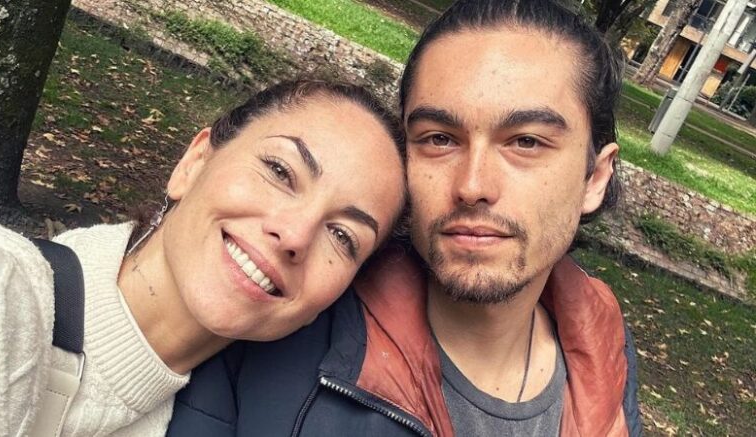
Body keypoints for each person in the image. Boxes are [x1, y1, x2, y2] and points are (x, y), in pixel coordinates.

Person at [167, 0, 642, 436]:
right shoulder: (277, 326)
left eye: (526, 142)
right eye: (439, 139)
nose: (472, 185)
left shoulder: (603, 346)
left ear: (595, 178)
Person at [0, 79, 407, 436]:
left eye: (342, 236)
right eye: (280, 171)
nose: (294, 236)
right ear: (194, 163)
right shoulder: (2, 291)